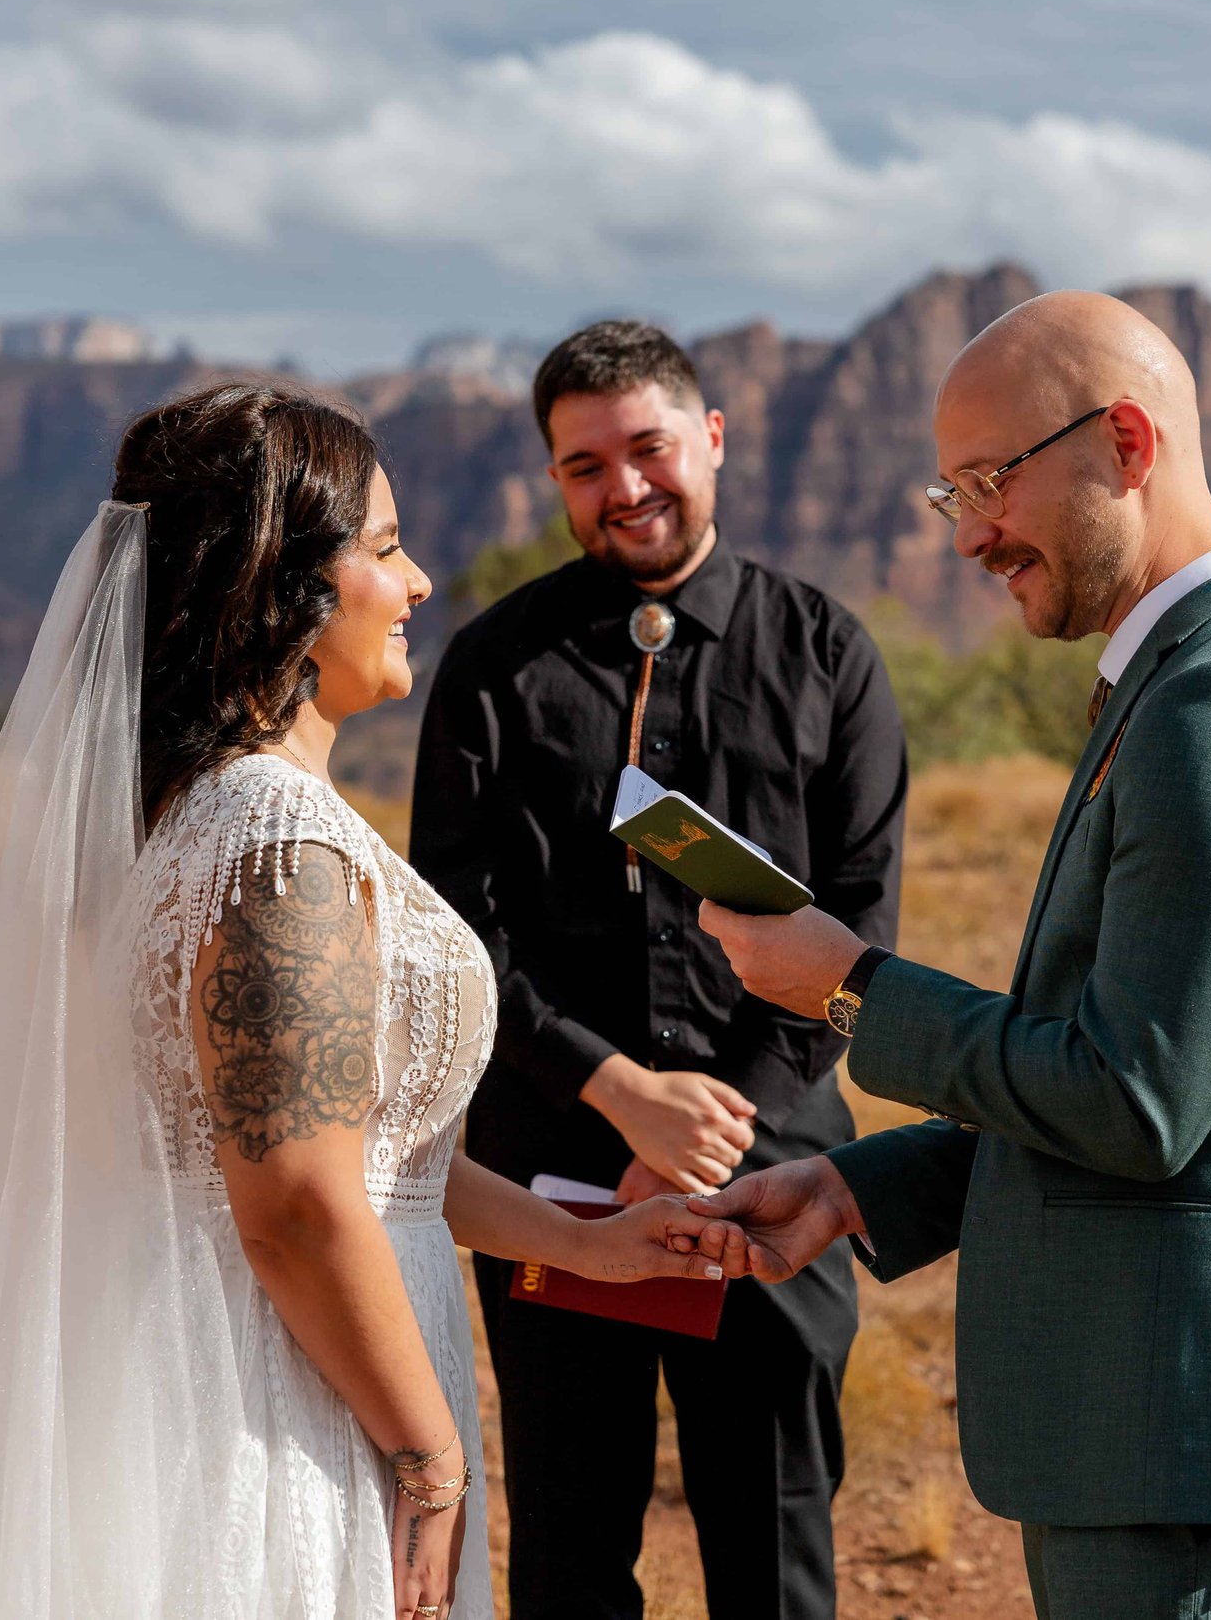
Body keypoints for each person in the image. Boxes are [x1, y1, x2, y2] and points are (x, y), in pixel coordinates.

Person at [0, 384, 732, 1620]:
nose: (417, 584)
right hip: (274, 1407)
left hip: (308, 1365)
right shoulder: (273, 849)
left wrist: (576, 1244)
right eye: (384, 549)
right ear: (290, 597)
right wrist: (428, 1454)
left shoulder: (211, 822)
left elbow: (347, 1150)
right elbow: (297, 1204)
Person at [688, 293, 1211, 1620]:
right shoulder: (1178, 681)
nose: (967, 534)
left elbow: (1134, 1103)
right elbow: (1124, 1072)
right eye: (948, 491)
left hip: (1185, 1446)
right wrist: (853, 1191)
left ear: (1127, 442)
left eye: (989, 482)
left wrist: (850, 985)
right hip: (1154, 1438)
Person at [410, 321, 907, 1620]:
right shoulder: (492, 669)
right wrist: (619, 1090)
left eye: (648, 447)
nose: (624, 488)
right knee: (571, 1548)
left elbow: (858, 927)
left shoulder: (828, 655)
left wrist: (710, 1124)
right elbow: (459, 934)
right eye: (585, 465)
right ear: (553, 478)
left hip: (775, 1182)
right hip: (554, 1179)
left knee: (777, 1545)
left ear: (715, 441)